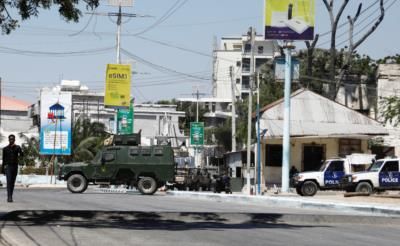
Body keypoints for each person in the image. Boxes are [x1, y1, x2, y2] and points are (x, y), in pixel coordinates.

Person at [2, 134, 23, 202]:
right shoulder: (5, 149)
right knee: (9, 182)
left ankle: (11, 195)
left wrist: (20, 150)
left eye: (12, 139)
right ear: (8, 140)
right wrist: (3, 170)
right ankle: (9, 197)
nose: (11, 140)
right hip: (8, 167)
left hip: (15, 166)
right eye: (10, 139)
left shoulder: (17, 147)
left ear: (14, 140)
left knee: (12, 182)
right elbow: (4, 159)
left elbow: (22, 155)